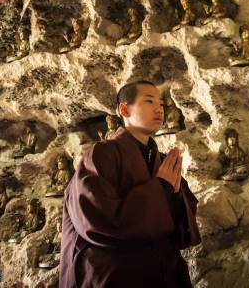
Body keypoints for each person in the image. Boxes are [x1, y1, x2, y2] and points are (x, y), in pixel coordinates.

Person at [60, 80, 201, 287]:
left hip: (162, 271)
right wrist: (161, 189)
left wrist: (175, 195)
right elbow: (95, 219)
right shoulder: (102, 154)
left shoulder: (161, 160)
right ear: (124, 109)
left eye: (161, 104)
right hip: (115, 274)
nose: (158, 108)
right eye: (149, 101)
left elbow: (182, 229)